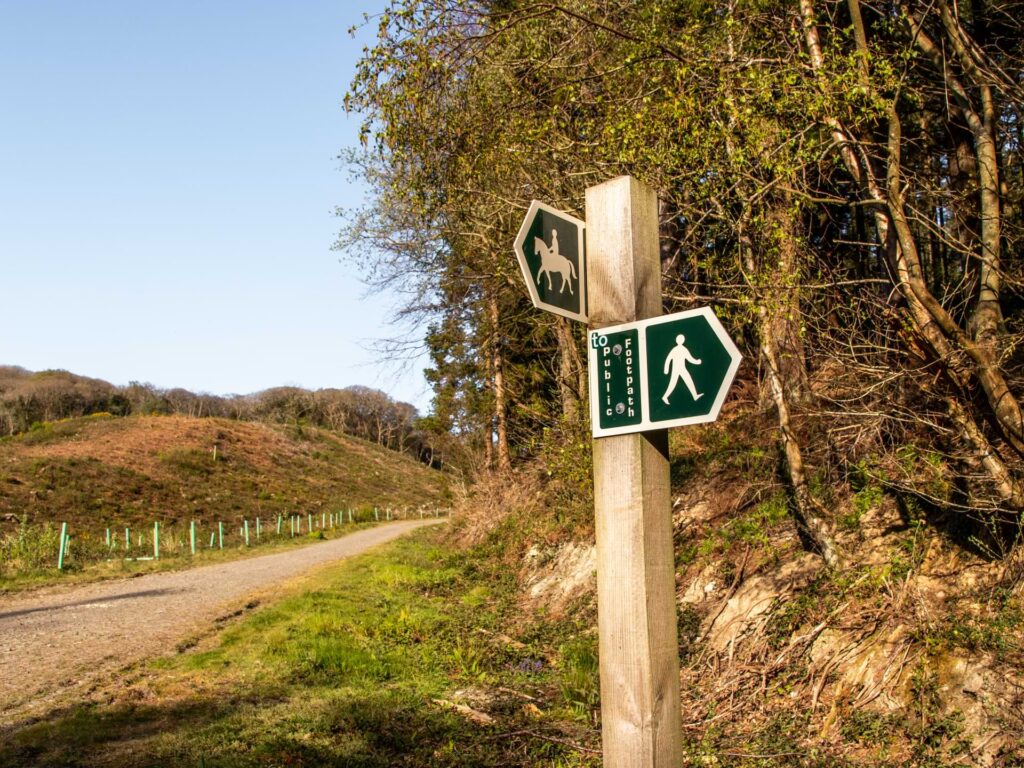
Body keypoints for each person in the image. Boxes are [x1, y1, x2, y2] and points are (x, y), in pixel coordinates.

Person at [662, 334, 702, 404]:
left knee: (689, 380)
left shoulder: (683, 349)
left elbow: (689, 358)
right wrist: (666, 369)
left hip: (682, 369)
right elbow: (668, 359)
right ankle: (665, 396)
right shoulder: (676, 349)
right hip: (676, 369)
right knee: (672, 384)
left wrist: (697, 362)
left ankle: (695, 395)